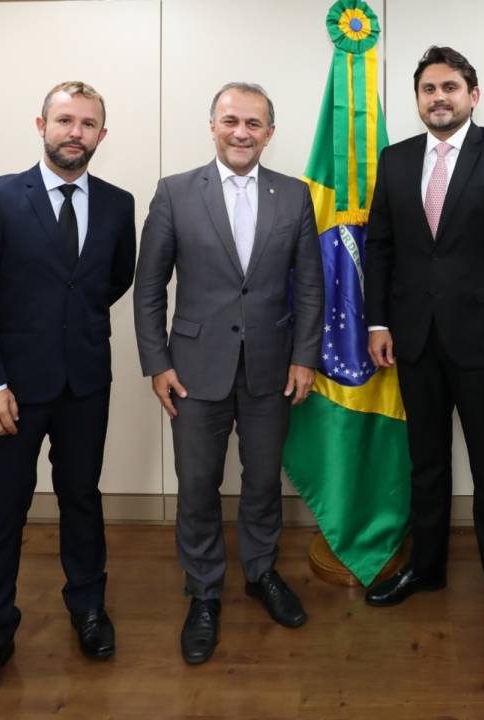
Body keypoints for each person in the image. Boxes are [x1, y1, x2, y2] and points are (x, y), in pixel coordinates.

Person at [0, 81, 135, 719]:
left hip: (85, 384)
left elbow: (112, 280)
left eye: (87, 123)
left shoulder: (118, 204)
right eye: (64, 120)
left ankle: (87, 607)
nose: (74, 132)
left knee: (83, 499)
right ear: (42, 124)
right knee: (2, 512)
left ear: (102, 135)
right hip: (9, 392)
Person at [363, 47, 484, 661]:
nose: (438, 97)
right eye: (427, 88)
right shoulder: (394, 160)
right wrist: (379, 321)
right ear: (417, 98)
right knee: (426, 465)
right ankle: (428, 568)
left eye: (450, 87)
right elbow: (382, 248)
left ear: (473, 93)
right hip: (413, 340)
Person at [133, 82, 323, 665]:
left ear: (270, 132)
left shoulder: (294, 195)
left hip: (272, 366)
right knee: (197, 488)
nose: (242, 132)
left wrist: (305, 356)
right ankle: (204, 591)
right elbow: (148, 289)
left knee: (264, 482)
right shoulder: (174, 193)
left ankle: (262, 572)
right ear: (212, 125)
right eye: (231, 121)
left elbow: (311, 286)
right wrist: (157, 363)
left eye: (254, 124)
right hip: (193, 371)